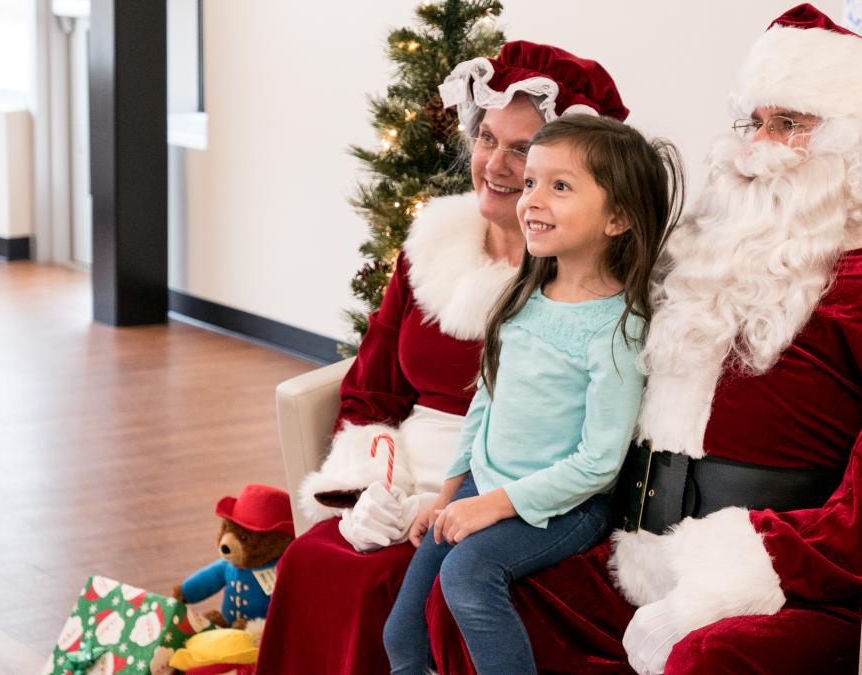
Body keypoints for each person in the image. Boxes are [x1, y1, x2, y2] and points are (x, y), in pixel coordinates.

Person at [425, 5, 862, 674]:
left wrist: (716, 587)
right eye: (754, 121)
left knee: (709, 658)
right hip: (636, 547)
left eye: (791, 124)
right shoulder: (713, 248)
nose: (758, 144)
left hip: (799, 580)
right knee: (472, 587)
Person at [254, 41, 631, 675]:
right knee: (314, 559)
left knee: (394, 585)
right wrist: (372, 490)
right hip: (413, 474)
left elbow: (597, 441)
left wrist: (469, 500)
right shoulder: (430, 246)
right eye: (488, 138)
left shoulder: (580, 282)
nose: (497, 164)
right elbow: (371, 389)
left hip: (518, 486)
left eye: (524, 150)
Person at [383, 115, 684, 674]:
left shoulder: (615, 330)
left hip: (565, 506)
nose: (532, 200)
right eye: (531, 183)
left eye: (560, 186)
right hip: (482, 482)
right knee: (400, 634)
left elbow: (597, 465)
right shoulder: (523, 298)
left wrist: (492, 506)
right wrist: (449, 495)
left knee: (467, 574)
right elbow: (485, 404)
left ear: (617, 217)